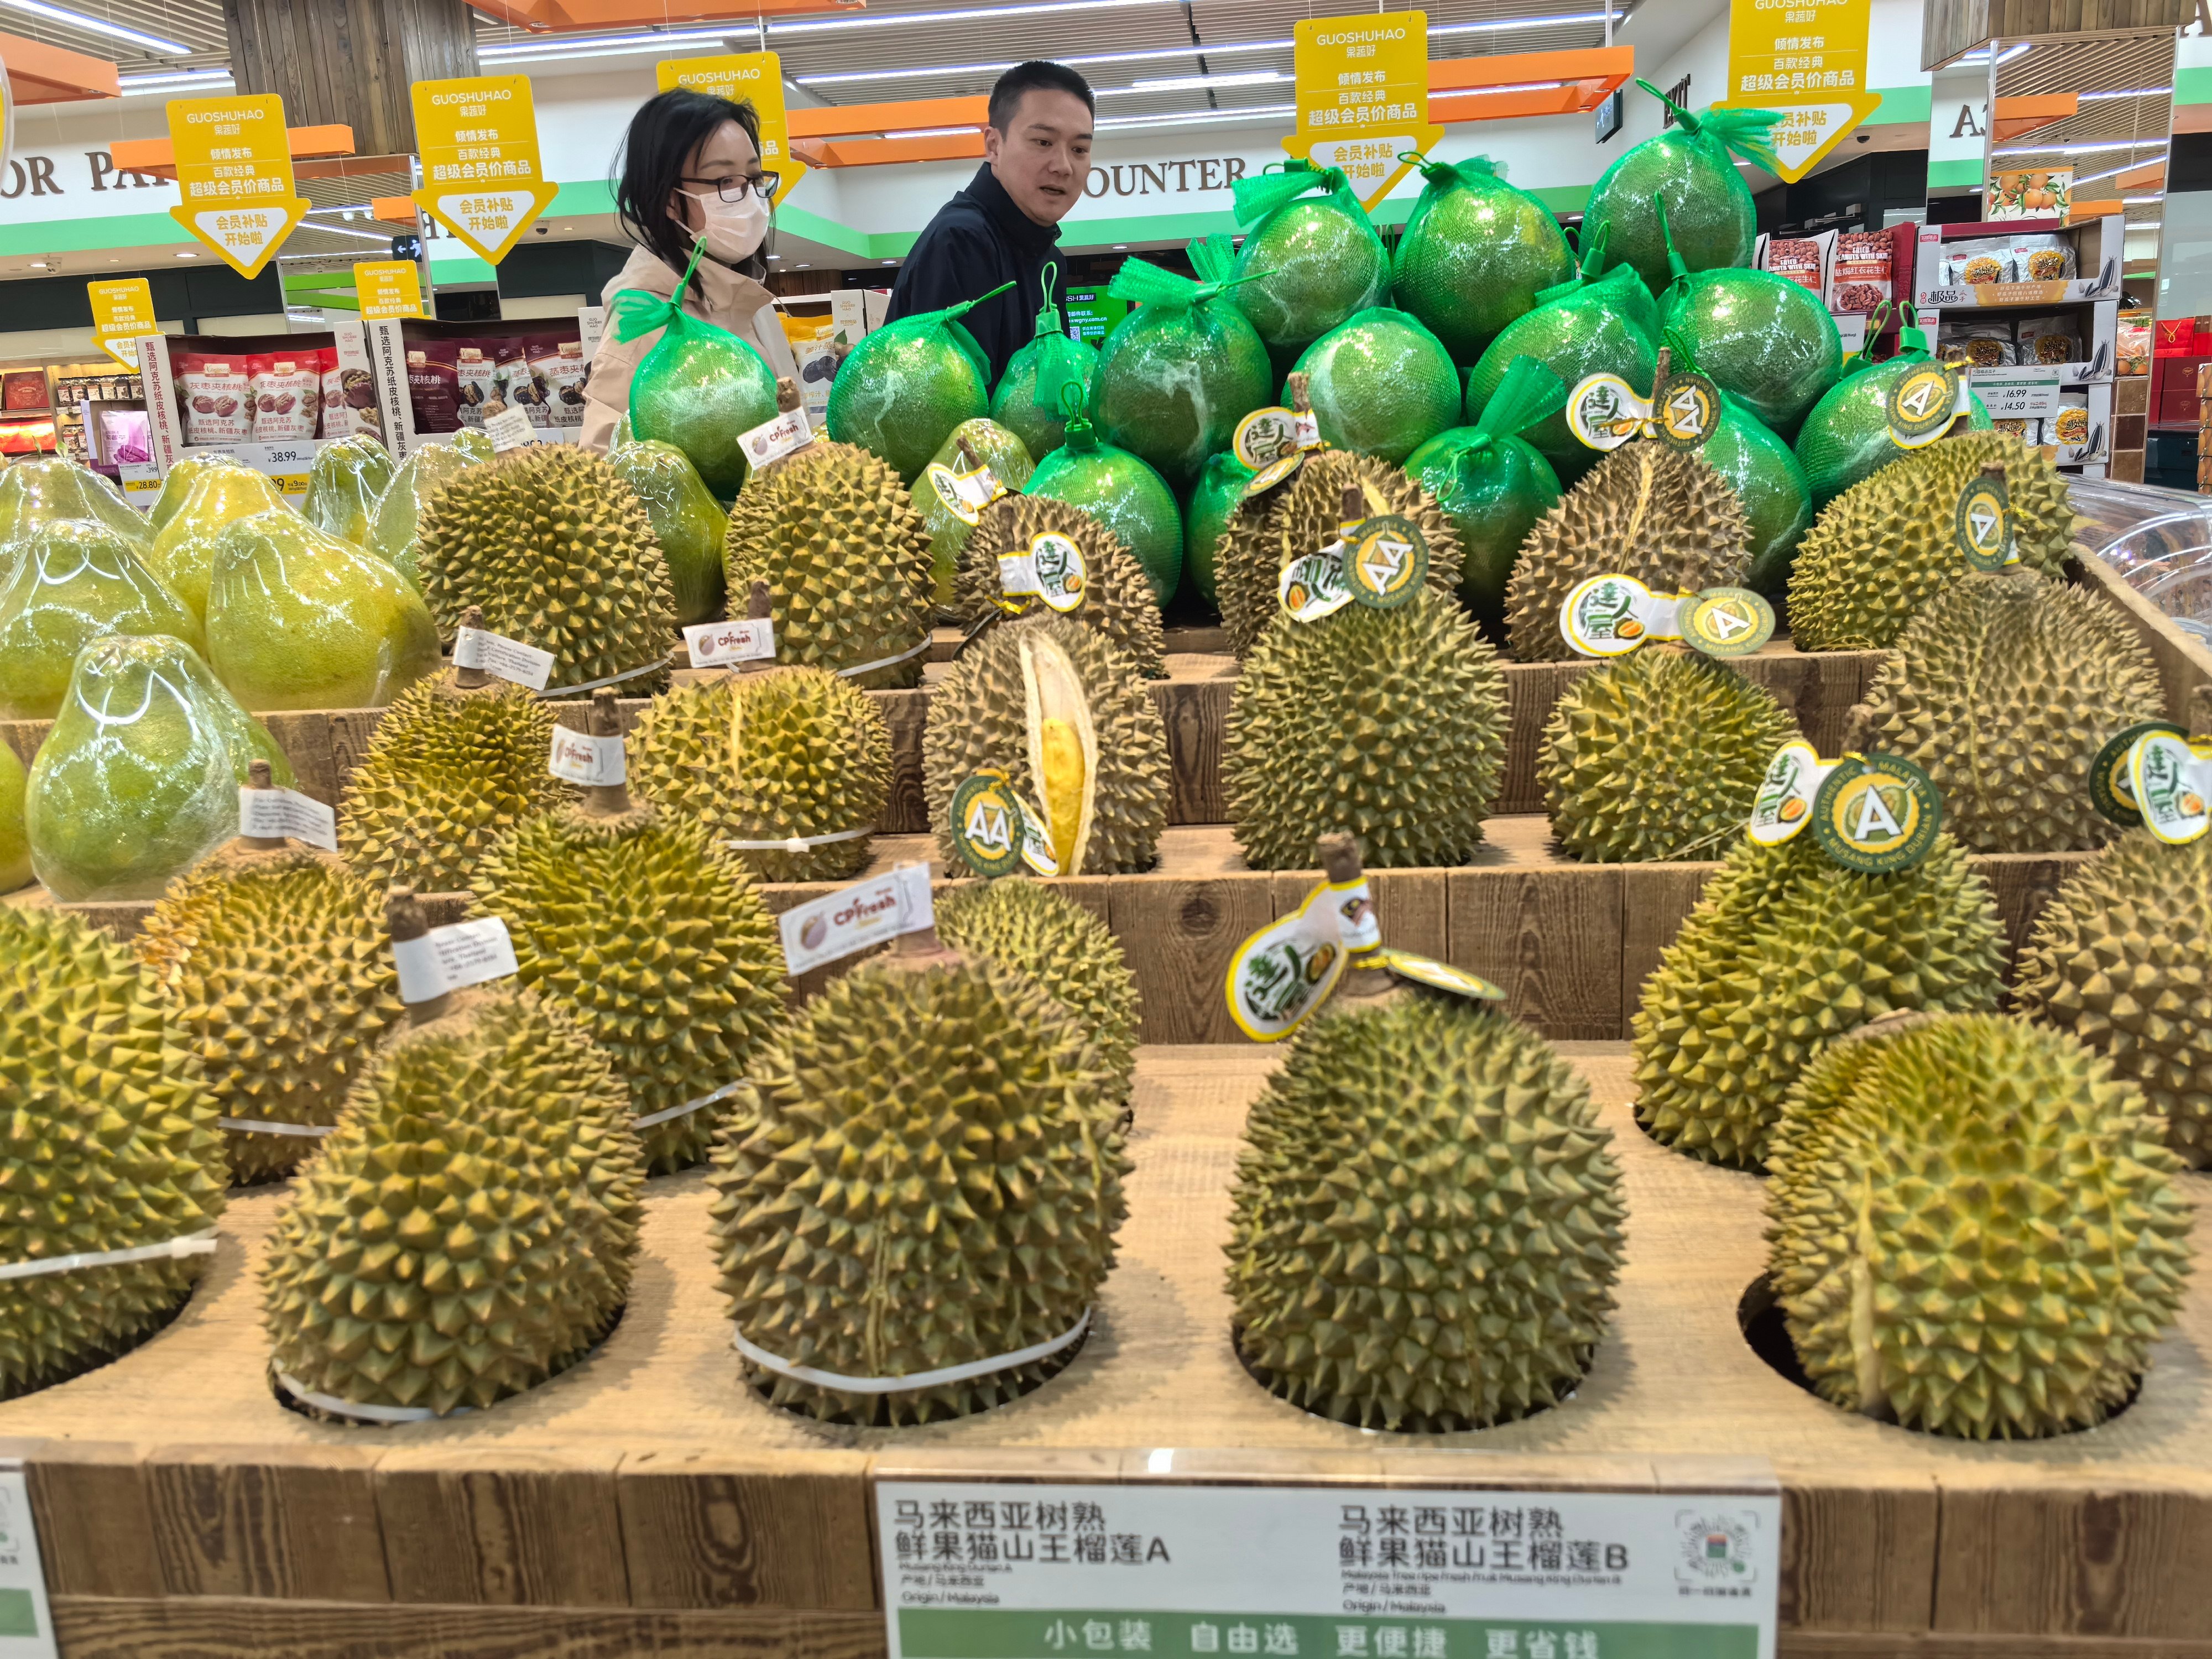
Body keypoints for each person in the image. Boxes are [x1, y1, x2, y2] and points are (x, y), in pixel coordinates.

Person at [581, 87, 799, 452]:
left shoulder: (750, 300)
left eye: (754, 177)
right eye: (724, 181)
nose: (748, 196)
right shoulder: (644, 316)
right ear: (669, 198)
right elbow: (604, 462)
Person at [884, 61, 1094, 385]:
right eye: (1043, 142)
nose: (1064, 166)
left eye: (1079, 149)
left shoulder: (1048, 260)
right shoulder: (961, 242)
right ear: (994, 146)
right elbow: (949, 411)